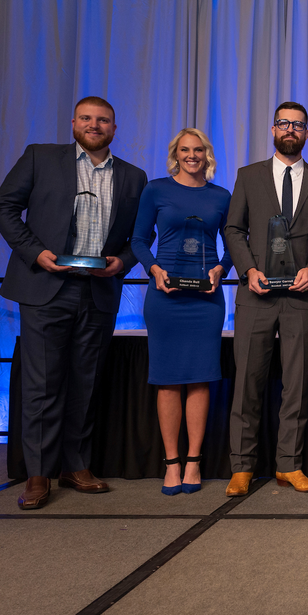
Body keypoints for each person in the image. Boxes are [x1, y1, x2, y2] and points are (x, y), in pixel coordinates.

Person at [0, 95, 148, 509]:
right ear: (73, 122)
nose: (95, 125)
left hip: (98, 291)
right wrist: (33, 251)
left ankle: (76, 466)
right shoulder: (41, 158)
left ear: (115, 128)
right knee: (42, 384)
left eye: (103, 121)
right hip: (45, 287)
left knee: (86, 382)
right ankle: (38, 475)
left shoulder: (134, 177)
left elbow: (140, 238)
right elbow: (3, 208)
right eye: (87, 118)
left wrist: (122, 263)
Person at [222, 102, 308, 497]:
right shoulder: (248, 176)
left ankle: (289, 465)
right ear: (273, 129)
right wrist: (249, 270)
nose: (291, 129)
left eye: (299, 125)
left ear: (307, 133)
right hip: (256, 295)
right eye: (284, 123)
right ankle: (242, 466)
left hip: (301, 297)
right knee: (247, 383)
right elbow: (234, 229)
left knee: (297, 384)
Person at [131, 128, 232, 496]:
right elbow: (139, 240)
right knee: (169, 379)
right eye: (185, 150)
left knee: (200, 377)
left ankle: (194, 460)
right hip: (165, 296)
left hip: (205, 299)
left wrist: (223, 267)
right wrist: (154, 269)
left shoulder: (221, 196)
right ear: (176, 153)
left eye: (199, 149)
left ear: (207, 155)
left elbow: (236, 241)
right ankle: (171, 462)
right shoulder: (156, 189)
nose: (192, 155)